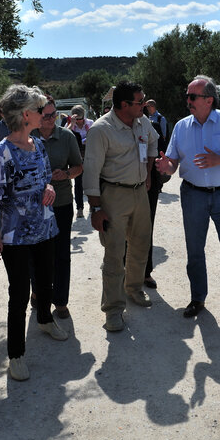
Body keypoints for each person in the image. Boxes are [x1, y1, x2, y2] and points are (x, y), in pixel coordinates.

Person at [156, 75, 220, 333]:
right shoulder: (181, 126)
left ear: (209, 100)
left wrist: (219, 160)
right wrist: (167, 166)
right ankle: (198, 299)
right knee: (194, 251)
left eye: (192, 96)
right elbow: (174, 162)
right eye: (187, 96)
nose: (187, 100)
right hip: (193, 195)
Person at [0, 84, 66, 383]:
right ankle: (16, 354)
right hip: (15, 236)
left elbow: (45, 178)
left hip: (44, 226)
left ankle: (45, 319)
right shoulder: (3, 151)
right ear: (25, 114)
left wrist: (47, 186)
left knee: (45, 281)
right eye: (38, 109)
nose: (43, 114)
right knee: (18, 294)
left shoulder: (38, 144)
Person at [82, 80, 158, 332]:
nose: (145, 105)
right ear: (124, 104)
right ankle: (113, 310)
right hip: (112, 195)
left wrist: (148, 173)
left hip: (139, 193)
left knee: (140, 244)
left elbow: (153, 143)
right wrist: (95, 209)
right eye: (140, 101)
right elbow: (91, 172)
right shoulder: (101, 130)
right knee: (114, 254)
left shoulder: (142, 121)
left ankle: (134, 289)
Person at [31, 98, 83, 319]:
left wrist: (67, 174)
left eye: (54, 115)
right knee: (37, 253)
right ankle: (38, 292)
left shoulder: (67, 136)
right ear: (36, 115)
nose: (51, 119)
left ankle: (60, 300)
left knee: (61, 253)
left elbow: (79, 166)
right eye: (46, 115)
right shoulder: (27, 137)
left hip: (61, 202)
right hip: (34, 205)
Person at [142, 107, 168, 290]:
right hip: (124, 184)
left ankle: (146, 272)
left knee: (147, 226)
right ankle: (125, 269)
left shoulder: (154, 126)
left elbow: (161, 152)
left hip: (149, 185)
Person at [68, 105, 93, 218]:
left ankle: (93, 205)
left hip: (90, 155)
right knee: (78, 183)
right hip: (76, 156)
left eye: (80, 118)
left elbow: (96, 136)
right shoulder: (70, 125)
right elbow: (64, 135)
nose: (79, 121)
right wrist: (72, 124)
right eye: (76, 119)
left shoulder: (90, 123)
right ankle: (80, 208)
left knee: (91, 181)